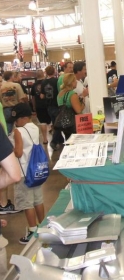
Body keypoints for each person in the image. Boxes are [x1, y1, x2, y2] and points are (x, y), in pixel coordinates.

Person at [10, 102, 44, 244]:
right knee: (38, 200)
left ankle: (32, 230)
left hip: (23, 172)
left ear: (23, 117)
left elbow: (18, 152)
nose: (16, 122)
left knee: (27, 203)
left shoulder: (19, 131)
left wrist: (8, 150)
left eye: (17, 119)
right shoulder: (34, 128)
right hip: (36, 170)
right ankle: (43, 226)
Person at [41, 65, 64, 150]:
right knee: (58, 124)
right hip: (57, 104)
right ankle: (54, 141)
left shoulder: (43, 82)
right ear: (54, 71)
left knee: (55, 123)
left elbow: (42, 95)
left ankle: (60, 139)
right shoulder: (57, 81)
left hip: (48, 105)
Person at [57, 73, 85, 140]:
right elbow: (78, 111)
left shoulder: (60, 94)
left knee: (68, 140)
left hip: (65, 123)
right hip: (74, 124)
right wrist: (83, 102)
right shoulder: (72, 94)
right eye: (75, 81)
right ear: (71, 82)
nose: (76, 82)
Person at [31, 69, 51, 144]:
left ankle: (45, 139)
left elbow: (33, 97)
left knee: (42, 122)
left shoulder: (34, 85)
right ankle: (55, 138)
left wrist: (34, 106)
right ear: (43, 74)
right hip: (49, 104)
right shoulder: (47, 83)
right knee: (52, 121)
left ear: (36, 75)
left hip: (39, 105)